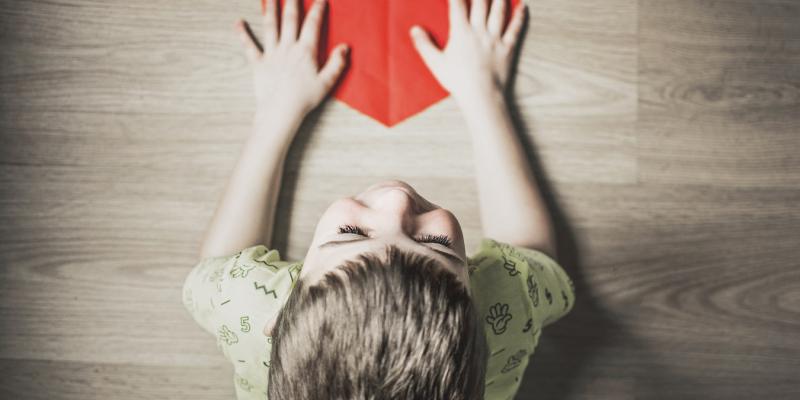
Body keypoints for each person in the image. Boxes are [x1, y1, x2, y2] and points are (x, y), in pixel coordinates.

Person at [181, 0, 576, 399]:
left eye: (351, 233)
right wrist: (483, 93)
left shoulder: (244, 305)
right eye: (436, 244)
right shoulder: (505, 312)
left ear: (277, 315)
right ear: (480, 309)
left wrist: (275, 113)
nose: (396, 199)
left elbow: (214, 269)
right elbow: (535, 256)